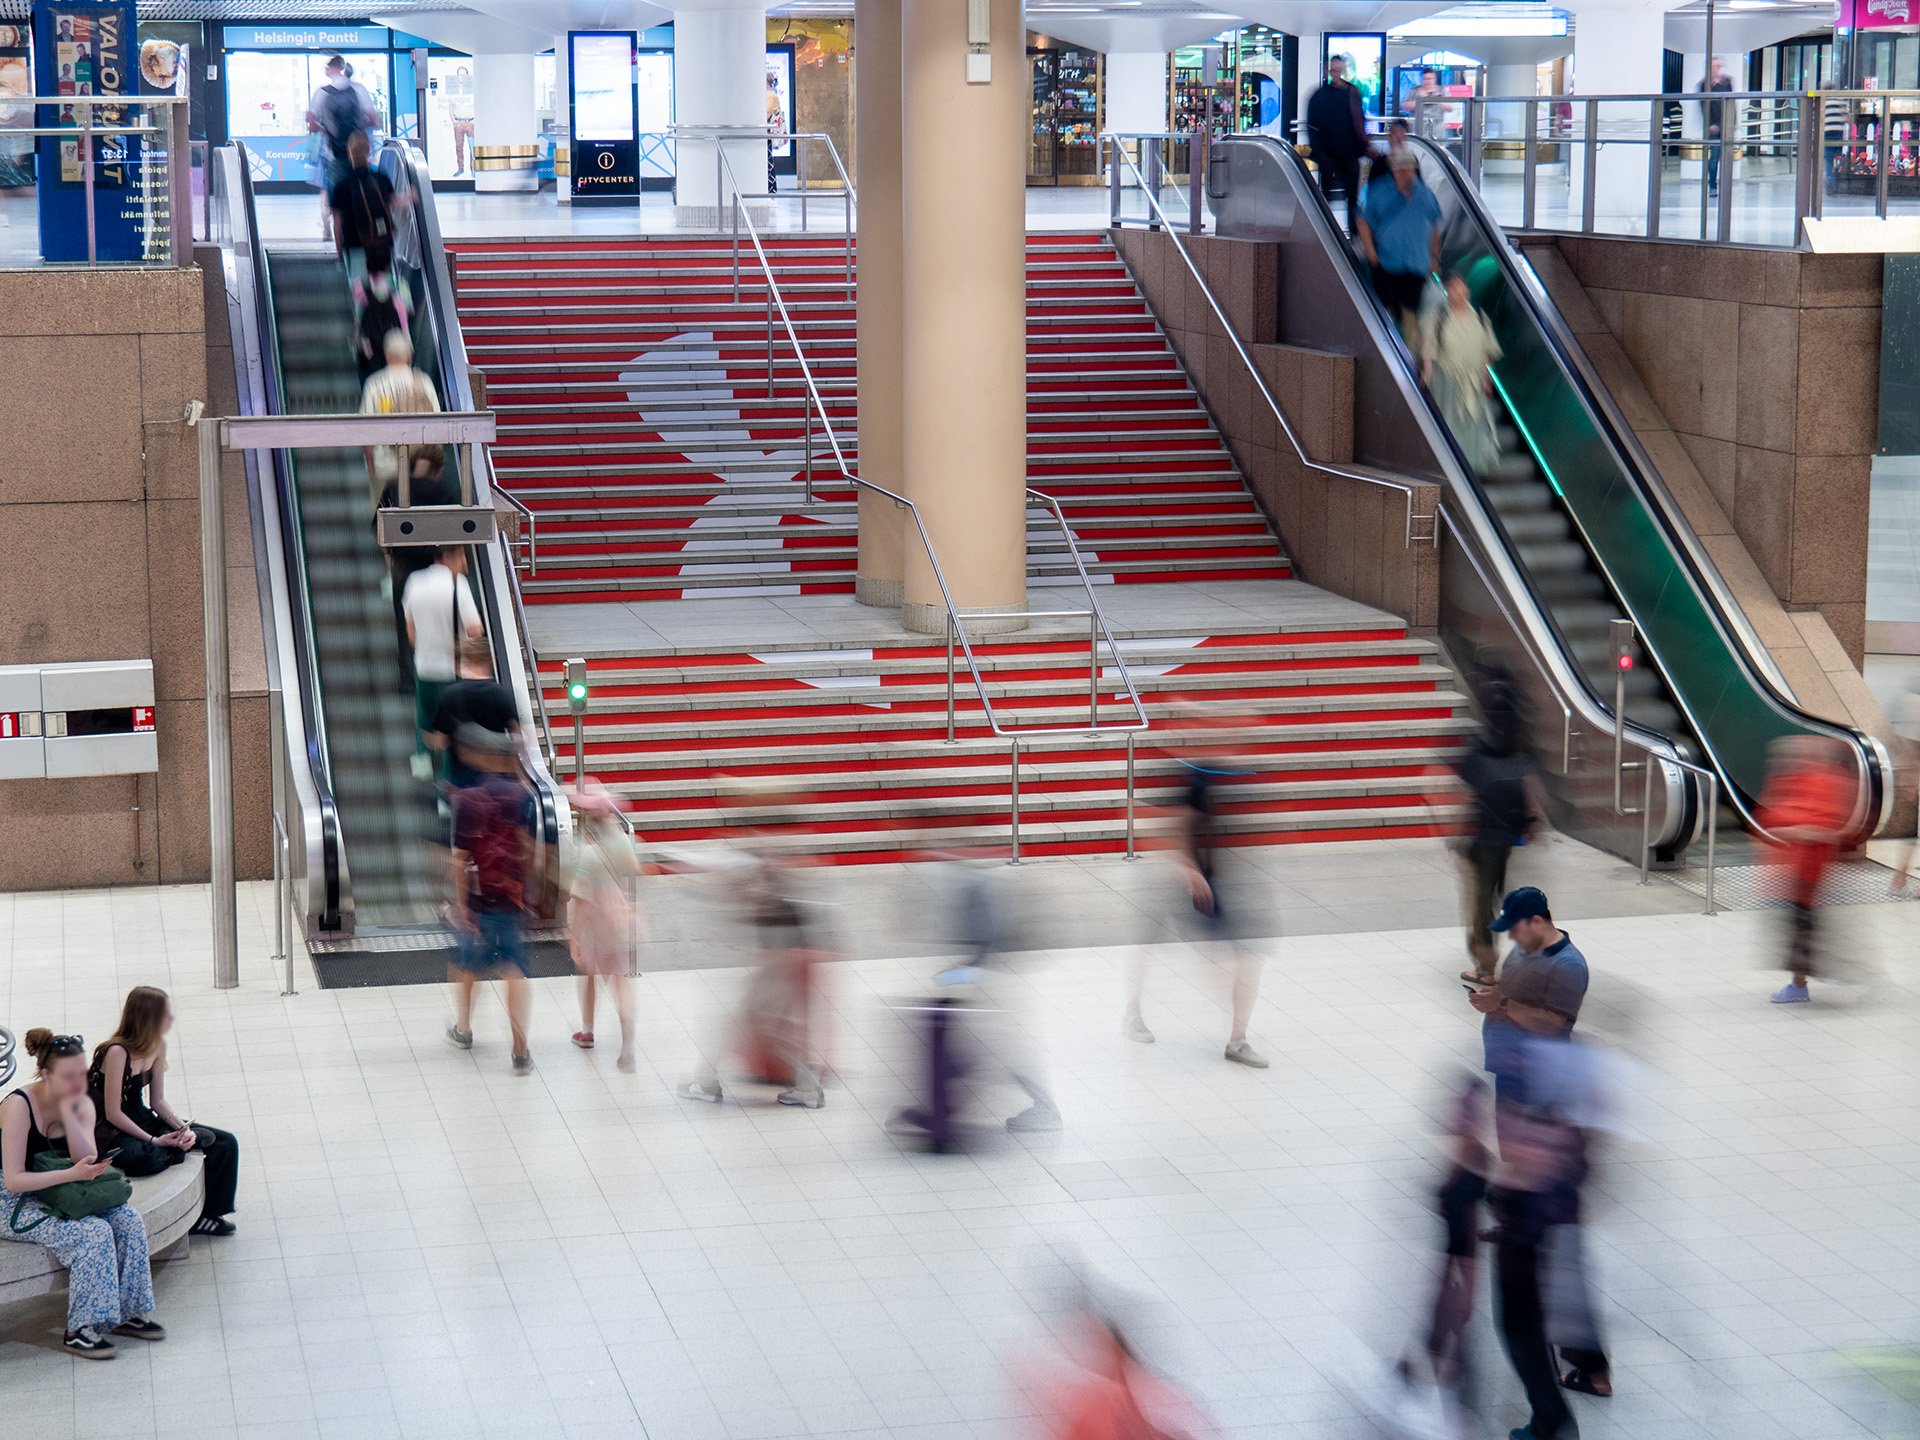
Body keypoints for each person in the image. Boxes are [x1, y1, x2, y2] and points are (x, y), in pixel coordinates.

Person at [0, 1030, 164, 1359]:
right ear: (46, 1075)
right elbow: (15, 1180)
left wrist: (77, 1116)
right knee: (92, 1232)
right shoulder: (17, 1106)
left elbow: (83, 1157)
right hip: (12, 1201)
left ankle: (128, 1312)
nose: (79, 1083)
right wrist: (73, 1174)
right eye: (70, 1076)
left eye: (82, 1075)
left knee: (128, 1219)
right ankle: (81, 1329)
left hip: (57, 1189)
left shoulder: (76, 1102)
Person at [1124, 752, 1269, 1068]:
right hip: (1173, 875)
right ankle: (1134, 1012)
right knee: (1155, 945)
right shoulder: (1188, 774)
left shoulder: (1215, 772)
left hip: (1199, 875)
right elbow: (1158, 824)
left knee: (1238, 954)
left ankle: (1237, 1039)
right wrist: (1183, 867)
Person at [88, 987, 240, 1238]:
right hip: (112, 1130)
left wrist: (182, 1127)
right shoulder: (117, 1052)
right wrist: (153, 1140)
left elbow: (158, 1101)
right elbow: (113, 1112)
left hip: (144, 1118)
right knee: (146, 1158)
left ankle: (209, 1215)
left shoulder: (158, 1046)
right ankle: (167, 1147)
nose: (170, 1019)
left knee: (224, 1143)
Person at [445, 734, 536, 1074]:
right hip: (510, 898)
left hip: (479, 900)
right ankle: (520, 1050)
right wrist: (525, 888)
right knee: (513, 968)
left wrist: (462, 904)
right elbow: (527, 848)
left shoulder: (467, 799)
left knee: (469, 964)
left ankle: (464, 1028)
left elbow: (460, 860)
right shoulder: (520, 796)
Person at [1453, 661, 1543, 984]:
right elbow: (1529, 787)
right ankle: (1503, 960)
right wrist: (1532, 823)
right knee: (1492, 897)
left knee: (1479, 905)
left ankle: (1485, 969)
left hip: (1482, 837)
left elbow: (1463, 794)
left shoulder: (1478, 751)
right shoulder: (1518, 752)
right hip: (1506, 836)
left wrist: (1453, 830)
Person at [1467, 887, 1588, 1104]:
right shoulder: (1523, 949)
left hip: (1539, 1074)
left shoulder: (1568, 965)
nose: (1511, 935)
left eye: (1514, 928)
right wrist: (1491, 997)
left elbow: (1552, 1023)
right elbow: (1509, 990)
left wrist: (1502, 1003)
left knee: (1529, 1136)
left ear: (1537, 922)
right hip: (1509, 1066)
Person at [1757, 736, 1853, 1003]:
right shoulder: (1794, 782)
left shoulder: (1821, 783)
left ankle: (1799, 986)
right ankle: (1800, 983)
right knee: (1801, 928)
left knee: (1803, 929)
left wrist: (1791, 831)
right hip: (1794, 874)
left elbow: (1825, 830)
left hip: (1807, 874)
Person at [567, 780, 640, 1072]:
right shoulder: (620, 839)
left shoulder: (587, 851)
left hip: (595, 924)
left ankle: (587, 1030)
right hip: (618, 919)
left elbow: (580, 896)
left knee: (587, 974)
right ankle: (628, 1046)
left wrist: (573, 934)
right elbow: (633, 868)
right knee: (621, 984)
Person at [329, 129, 409, 375]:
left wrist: (338, 251)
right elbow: (397, 205)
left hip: (356, 251)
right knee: (389, 294)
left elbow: (338, 224)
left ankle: (363, 342)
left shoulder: (342, 185)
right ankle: (398, 341)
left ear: (349, 154)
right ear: (369, 153)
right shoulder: (381, 178)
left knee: (360, 299)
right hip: (383, 250)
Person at [402, 545, 484, 779]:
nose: (465, 566)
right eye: (462, 558)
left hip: (425, 666)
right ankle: (447, 782)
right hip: (453, 670)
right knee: (452, 727)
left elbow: (411, 631)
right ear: (450, 557)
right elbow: (474, 629)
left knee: (425, 714)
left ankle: (422, 760)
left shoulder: (414, 581)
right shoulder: (457, 583)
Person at [1358, 148, 1443, 345]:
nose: (1405, 172)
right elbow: (1363, 221)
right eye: (1401, 168)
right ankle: (1384, 352)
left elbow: (1434, 227)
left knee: (1410, 314)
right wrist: (1371, 254)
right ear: (1393, 170)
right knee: (1385, 312)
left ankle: (1408, 360)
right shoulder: (1379, 191)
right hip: (1387, 264)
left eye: (1409, 168)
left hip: (1416, 265)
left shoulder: (1425, 194)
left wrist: (1434, 259)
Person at [1422, 272, 1505, 472]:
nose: (1460, 293)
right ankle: (1448, 465)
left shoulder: (1481, 318)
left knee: (1472, 423)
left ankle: (1470, 467)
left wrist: (1487, 378)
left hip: (1473, 381)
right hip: (1447, 380)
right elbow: (1429, 351)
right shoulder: (1438, 319)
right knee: (1449, 421)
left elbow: (1486, 351)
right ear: (1448, 292)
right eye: (1454, 288)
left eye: (1462, 288)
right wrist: (1426, 376)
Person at [425, 635, 519, 790]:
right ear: (490, 660)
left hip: (464, 778)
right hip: (497, 778)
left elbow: (441, 741)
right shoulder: (502, 693)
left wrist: (427, 739)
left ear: (466, 660)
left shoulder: (450, 694)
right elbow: (517, 732)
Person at [361, 329, 440, 511]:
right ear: (408, 355)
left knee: (384, 520)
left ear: (387, 355)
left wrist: (372, 467)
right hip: (418, 465)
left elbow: (365, 431)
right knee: (418, 516)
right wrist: (434, 463)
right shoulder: (423, 381)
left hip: (385, 465)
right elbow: (438, 426)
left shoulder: (374, 383)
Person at [307, 54, 377, 239]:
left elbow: (312, 124)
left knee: (335, 198)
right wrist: (357, 130)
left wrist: (326, 130)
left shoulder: (322, 93)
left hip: (333, 154)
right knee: (359, 190)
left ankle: (333, 236)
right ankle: (362, 231)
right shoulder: (359, 90)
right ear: (344, 68)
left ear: (331, 70)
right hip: (358, 153)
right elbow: (373, 120)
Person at [1306, 55, 1369, 234]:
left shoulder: (1349, 92)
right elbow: (1314, 130)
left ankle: (1351, 236)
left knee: (1351, 198)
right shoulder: (1322, 96)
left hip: (1346, 155)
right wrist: (1321, 156)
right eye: (1333, 70)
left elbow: (1358, 120)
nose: (1336, 73)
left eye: (1338, 69)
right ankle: (1332, 235)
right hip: (1330, 157)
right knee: (1330, 197)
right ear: (1328, 70)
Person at [1698, 56, 1733, 198]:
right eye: (1714, 66)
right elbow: (1703, 105)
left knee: (1726, 157)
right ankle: (1713, 186)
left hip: (1726, 125)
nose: (1717, 69)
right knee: (1714, 158)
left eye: (1718, 66)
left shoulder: (1727, 82)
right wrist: (1710, 125)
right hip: (1712, 127)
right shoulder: (1704, 84)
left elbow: (1730, 103)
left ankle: (1725, 185)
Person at [448, 64, 475, 175]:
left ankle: (473, 170)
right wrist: (453, 121)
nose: (462, 78)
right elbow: (450, 107)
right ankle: (461, 168)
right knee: (459, 147)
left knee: (472, 147)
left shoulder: (472, 89)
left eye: (464, 75)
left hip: (470, 122)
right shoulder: (453, 90)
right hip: (458, 122)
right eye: (460, 75)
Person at [764, 68, 786, 192]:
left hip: (767, 132)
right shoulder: (766, 96)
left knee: (768, 159)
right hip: (764, 132)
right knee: (766, 159)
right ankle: (769, 187)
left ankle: (771, 188)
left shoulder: (772, 97)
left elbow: (767, 114)